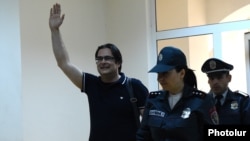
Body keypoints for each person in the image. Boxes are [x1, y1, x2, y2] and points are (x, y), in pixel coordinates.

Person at [49, 3, 149, 141]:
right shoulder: (92, 84)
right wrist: (55, 30)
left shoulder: (134, 86)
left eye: (107, 58)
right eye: (99, 58)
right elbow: (63, 63)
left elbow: (149, 124)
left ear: (118, 63)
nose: (103, 61)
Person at [136, 46, 219, 141]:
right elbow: (143, 135)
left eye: (165, 73)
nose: (160, 78)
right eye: (158, 74)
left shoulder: (201, 101)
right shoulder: (153, 99)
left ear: (182, 73)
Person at [201, 58, 250, 124]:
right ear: (208, 81)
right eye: (212, 78)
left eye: (219, 77)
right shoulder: (202, 103)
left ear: (229, 78)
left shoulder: (242, 101)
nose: (215, 82)